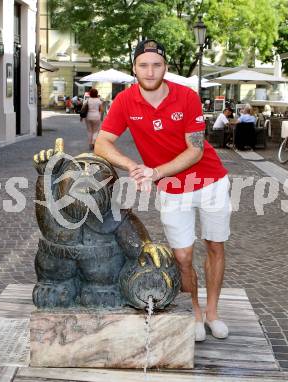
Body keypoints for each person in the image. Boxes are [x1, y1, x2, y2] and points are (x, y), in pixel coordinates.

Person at [95, 39, 231, 342]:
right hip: (172, 188)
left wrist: (154, 172)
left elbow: (195, 150)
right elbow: (102, 143)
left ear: (165, 67)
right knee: (182, 256)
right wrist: (133, 166)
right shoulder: (125, 101)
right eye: (143, 65)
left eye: (156, 64)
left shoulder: (186, 96)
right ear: (135, 69)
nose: (150, 70)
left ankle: (212, 312)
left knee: (215, 246)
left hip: (210, 180)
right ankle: (194, 312)